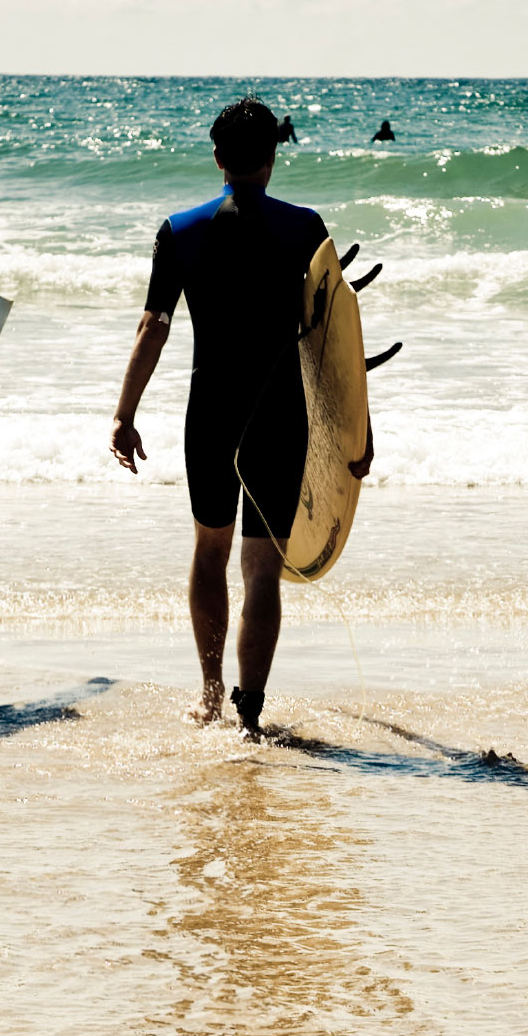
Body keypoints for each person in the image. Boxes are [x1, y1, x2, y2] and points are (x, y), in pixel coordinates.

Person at [109, 97, 372, 738]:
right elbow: (330, 342)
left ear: (219, 157)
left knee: (209, 551)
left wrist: (124, 413)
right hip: (280, 415)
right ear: (273, 156)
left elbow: (154, 326)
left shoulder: (179, 231)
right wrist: (360, 433)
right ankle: (251, 709)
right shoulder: (307, 228)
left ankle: (209, 698)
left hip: (211, 413)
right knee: (262, 567)